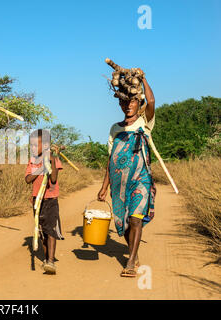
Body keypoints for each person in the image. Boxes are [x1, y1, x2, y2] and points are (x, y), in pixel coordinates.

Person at [97, 69, 156, 277]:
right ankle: (134, 251)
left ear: (137, 104)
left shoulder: (145, 122)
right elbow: (110, 160)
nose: (128, 105)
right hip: (118, 183)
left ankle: (130, 262)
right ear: (120, 104)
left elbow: (151, 101)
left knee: (135, 219)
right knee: (122, 223)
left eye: (132, 102)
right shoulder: (115, 128)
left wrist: (144, 79)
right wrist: (104, 187)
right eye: (125, 103)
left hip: (141, 180)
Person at [25, 129, 64, 275]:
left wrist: (51, 160)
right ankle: (47, 257)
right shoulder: (32, 160)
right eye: (32, 145)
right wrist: (41, 167)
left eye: (36, 145)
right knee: (41, 231)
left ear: (46, 145)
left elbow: (53, 179)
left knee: (51, 230)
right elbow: (28, 179)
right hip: (37, 201)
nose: (33, 148)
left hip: (50, 200)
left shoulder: (54, 159)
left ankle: (51, 261)